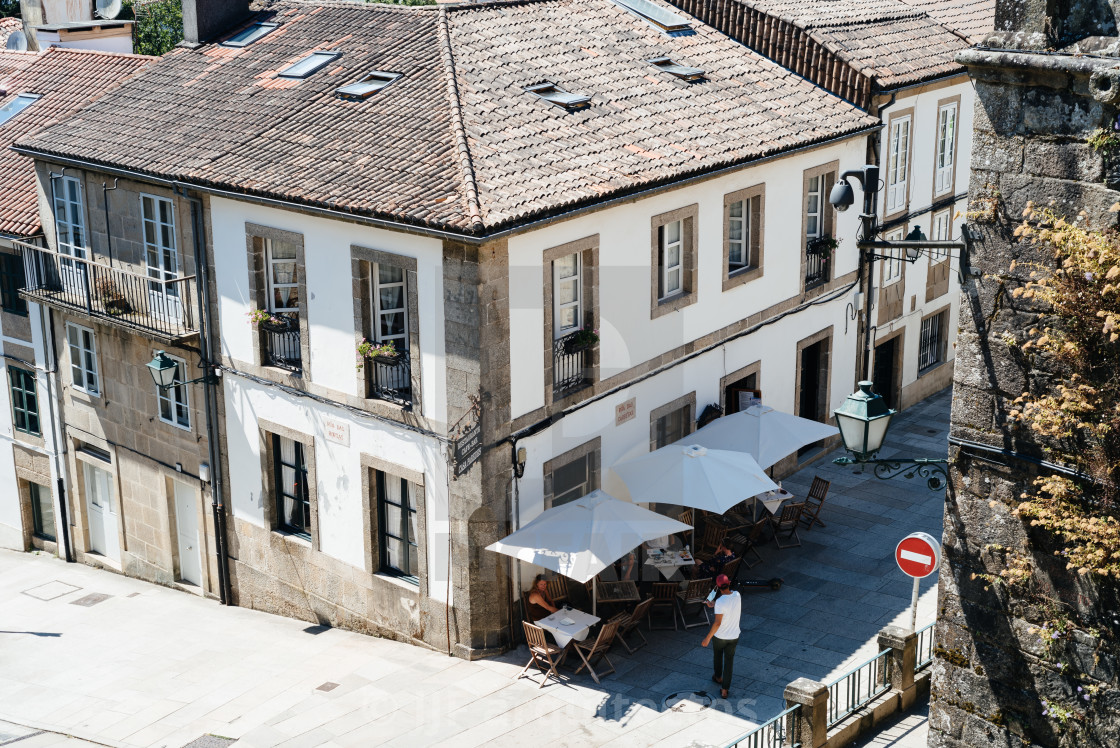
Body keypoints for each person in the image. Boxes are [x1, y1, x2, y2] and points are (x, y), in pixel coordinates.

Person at [701, 574, 741, 699]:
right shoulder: (737, 595)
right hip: (734, 635)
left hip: (720, 636)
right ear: (728, 584)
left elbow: (717, 623)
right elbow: (730, 604)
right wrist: (715, 605)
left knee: (718, 655)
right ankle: (725, 690)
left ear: (718, 588)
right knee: (729, 662)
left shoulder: (720, 602)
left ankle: (718, 677)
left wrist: (707, 638)